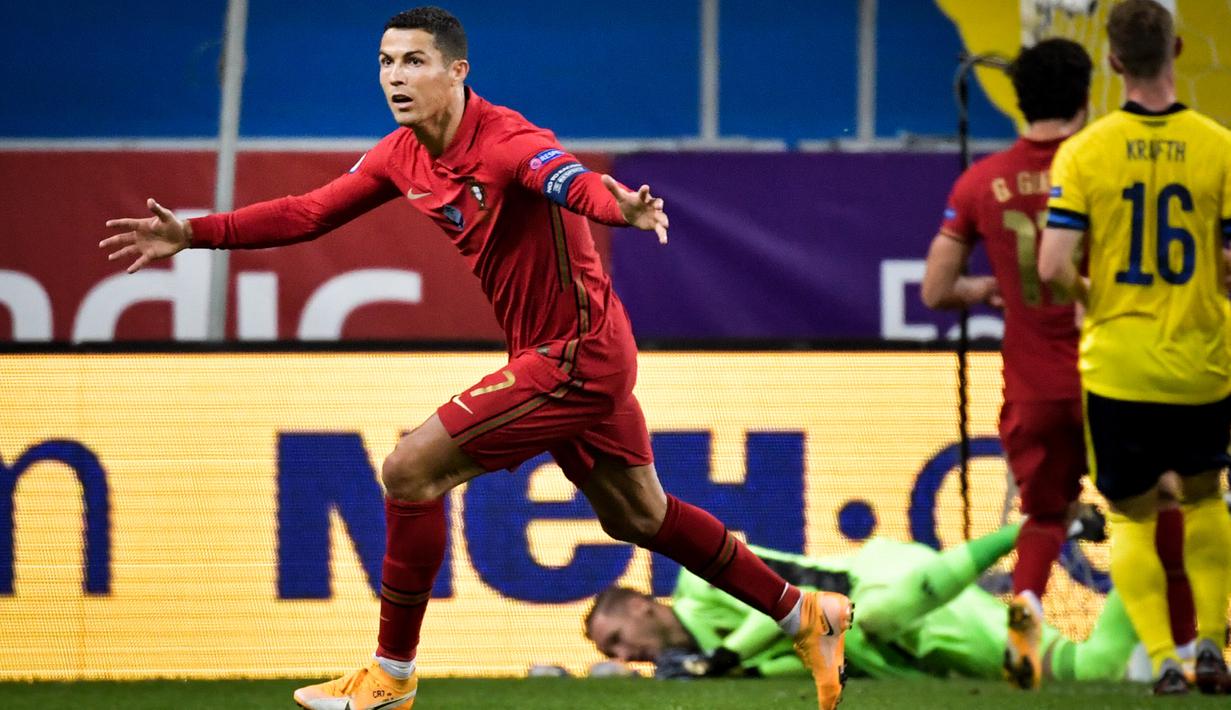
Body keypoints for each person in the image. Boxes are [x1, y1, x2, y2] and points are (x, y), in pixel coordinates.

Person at [99, 7, 852, 710]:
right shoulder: (401, 154)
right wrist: (196, 233)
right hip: (559, 351)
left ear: (457, 72)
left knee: (408, 469)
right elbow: (309, 213)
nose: (395, 76)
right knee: (639, 516)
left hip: (575, 355)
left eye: (415, 61)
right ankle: (800, 610)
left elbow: (569, 180)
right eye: (386, 61)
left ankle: (390, 675)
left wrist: (617, 207)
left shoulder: (506, 141)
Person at [921, 37, 1199, 690]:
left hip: (1030, 386)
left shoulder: (979, 181)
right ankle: (1182, 650)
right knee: (1158, 508)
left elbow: (935, 290)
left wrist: (981, 290)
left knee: (1044, 517)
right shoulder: (1107, 163)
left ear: (1017, 100)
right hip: (1114, 376)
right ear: (1084, 95)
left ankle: (1024, 616)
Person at [1038, 0, 1231, 696]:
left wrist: (1097, 295)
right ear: (1177, 48)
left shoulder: (1085, 150)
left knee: (1130, 513)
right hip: (1202, 362)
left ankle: (1166, 661)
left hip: (1118, 364)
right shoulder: (1219, 145)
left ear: (1112, 61)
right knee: (1207, 500)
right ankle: (1211, 642)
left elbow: (1051, 265)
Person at [585, 523, 1141, 684]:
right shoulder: (712, 665)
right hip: (905, 641)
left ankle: (1034, 526)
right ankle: (1166, 548)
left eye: (617, 640)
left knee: (872, 615)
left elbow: (796, 611)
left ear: (641, 607)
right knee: (1086, 673)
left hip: (880, 586)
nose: (626, 653)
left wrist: (722, 661)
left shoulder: (702, 582)